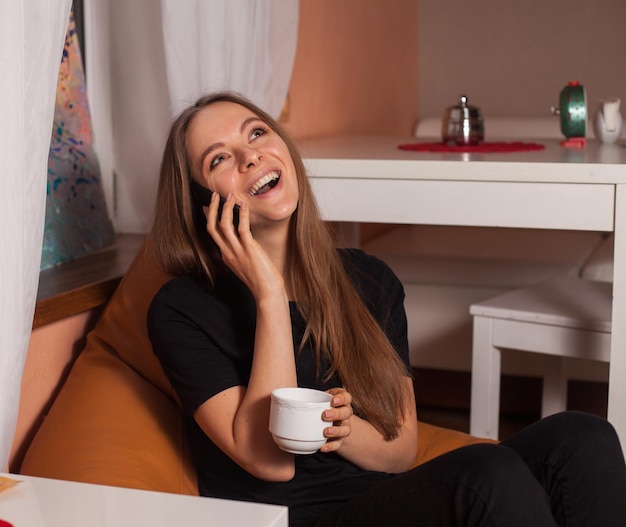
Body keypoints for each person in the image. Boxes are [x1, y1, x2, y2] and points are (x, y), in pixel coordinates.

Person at [147, 91, 626, 527]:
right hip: (293, 519)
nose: (250, 155)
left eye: (256, 133)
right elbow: (272, 462)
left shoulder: (368, 279)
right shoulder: (183, 310)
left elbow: (401, 451)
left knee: (583, 438)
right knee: (486, 472)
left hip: (385, 503)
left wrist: (344, 429)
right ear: (203, 203)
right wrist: (269, 296)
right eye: (220, 159)